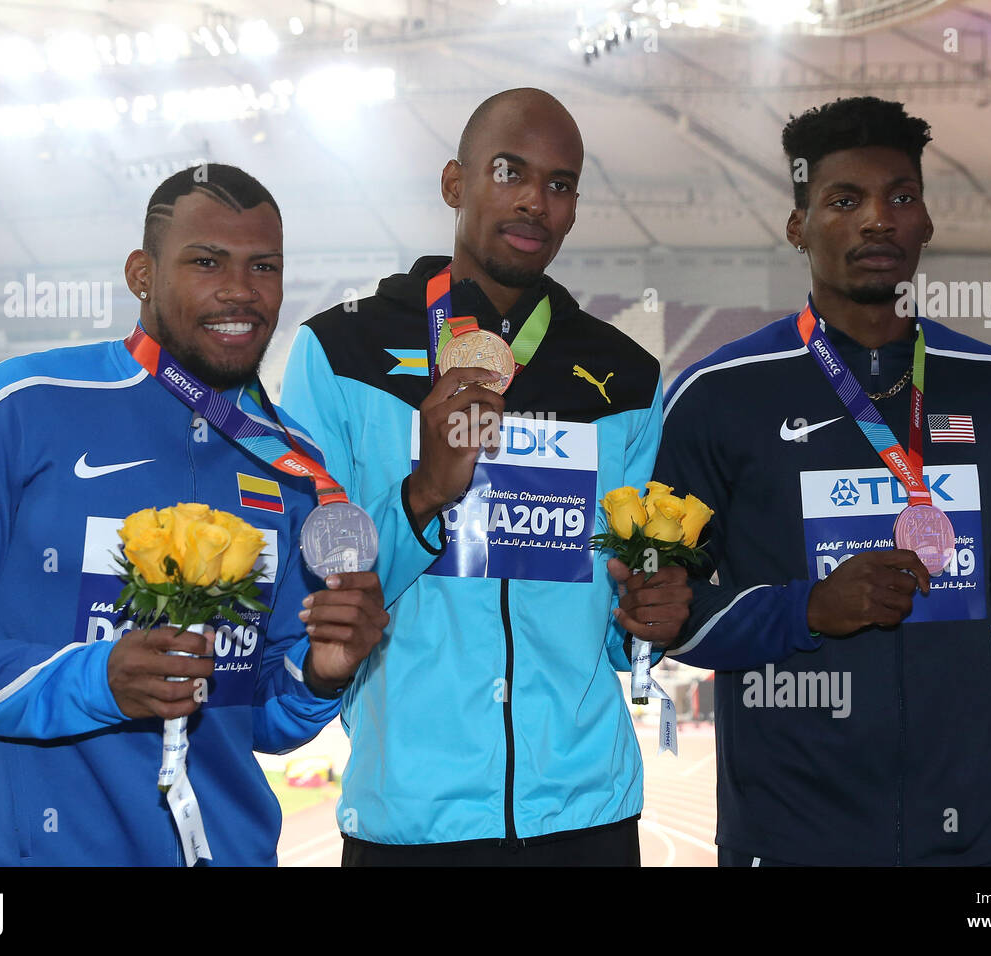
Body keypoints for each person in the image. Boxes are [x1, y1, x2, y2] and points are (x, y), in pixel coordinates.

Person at [0, 164, 390, 866]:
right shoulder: (24, 406)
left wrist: (320, 673)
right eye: (207, 262)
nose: (241, 289)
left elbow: (262, 717)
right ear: (142, 274)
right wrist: (95, 680)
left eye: (264, 266)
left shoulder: (291, 465)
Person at [654, 96, 991, 866]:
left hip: (978, 834)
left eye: (901, 196)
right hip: (791, 834)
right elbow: (666, 609)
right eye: (846, 201)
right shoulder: (720, 394)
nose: (879, 219)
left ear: (927, 221)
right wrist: (808, 608)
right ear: (798, 226)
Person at [280, 88, 692, 865]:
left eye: (560, 184)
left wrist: (650, 619)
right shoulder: (340, 353)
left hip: (587, 816)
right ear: (454, 183)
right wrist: (422, 494)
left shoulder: (628, 377)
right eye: (510, 172)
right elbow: (308, 588)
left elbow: (619, 632)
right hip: (411, 820)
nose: (536, 200)